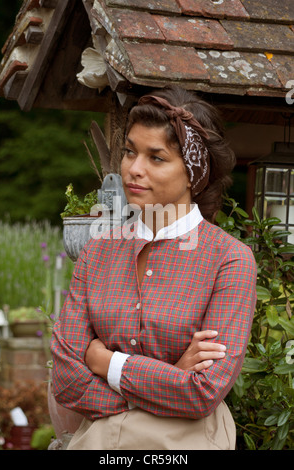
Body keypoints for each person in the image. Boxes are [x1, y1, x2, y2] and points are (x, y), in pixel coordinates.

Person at [50, 86, 257, 450]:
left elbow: (202, 392)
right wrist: (170, 377)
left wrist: (107, 362)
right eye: (130, 151)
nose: (134, 168)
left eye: (156, 157)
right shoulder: (98, 252)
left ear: (194, 172)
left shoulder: (229, 260)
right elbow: (67, 378)